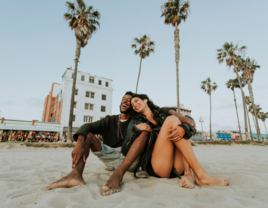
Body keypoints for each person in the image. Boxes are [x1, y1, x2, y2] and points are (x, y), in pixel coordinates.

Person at [45, 91, 193, 191]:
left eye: (131, 100)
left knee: (144, 131)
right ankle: (76, 175)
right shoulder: (110, 120)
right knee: (88, 135)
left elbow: (160, 116)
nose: (126, 101)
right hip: (111, 156)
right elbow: (87, 125)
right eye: (124, 99)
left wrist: (173, 114)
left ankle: (118, 174)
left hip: (132, 158)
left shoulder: (138, 119)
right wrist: (79, 141)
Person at [102, 94, 229, 196]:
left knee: (179, 126)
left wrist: (184, 127)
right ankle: (201, 176)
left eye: (136, 101)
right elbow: (125, 149)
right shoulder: (136, 121)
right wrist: (136, 130)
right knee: (173, 120)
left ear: (145, 100)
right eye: (132, 104)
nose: (134, 104)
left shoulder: (162, 115)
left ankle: (188, 174)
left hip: (177, 166)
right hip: (158, 166)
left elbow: (190, 123)